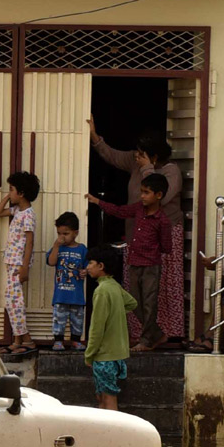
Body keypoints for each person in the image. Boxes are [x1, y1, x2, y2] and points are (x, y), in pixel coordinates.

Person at [89, 118, 185, 344]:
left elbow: (160, 196)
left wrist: (147, 168)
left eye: (142, 153)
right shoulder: (135, 163)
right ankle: (145, 334)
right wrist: (94, 136)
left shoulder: (171, 172)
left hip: (161, 241)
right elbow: (112, 155)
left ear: (154, 155)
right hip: (137, 238)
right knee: (136, 293)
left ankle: (164, 334)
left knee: (157, 291)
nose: (136, 156)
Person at [86, 173, 171, 352]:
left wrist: (151, 252)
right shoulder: (139, 209)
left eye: (146, 192)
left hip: (151, 266)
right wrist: (98, 202)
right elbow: (120, 211)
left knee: (149, 303)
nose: (142, 196)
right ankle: (156, 334)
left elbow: (166, 246)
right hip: (134, 263)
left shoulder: (162, 220)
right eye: (142, 192)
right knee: (134, 302)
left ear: (159, 195)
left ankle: (147, 340)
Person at [83, 245, 137, 411]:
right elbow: (132, 303)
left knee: (108, 399)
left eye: (91, 263)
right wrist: (116, 312)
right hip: (117, 355)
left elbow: (96, 328)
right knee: (102, 397)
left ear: (101, 266)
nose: (87, 267)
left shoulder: (101, 291)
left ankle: (113, 433)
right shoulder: (114, 286)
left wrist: (89, 354)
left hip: (104, 355)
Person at [0, 171, 40, 355]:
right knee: (12, 301)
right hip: (11, 262)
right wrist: (7, 197)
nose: (9, 193)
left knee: (15, 302)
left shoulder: (28, 215)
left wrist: (24, 267)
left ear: (21, 193)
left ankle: (26, 339)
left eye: (11, 190)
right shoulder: (17, 211)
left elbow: (30, 242)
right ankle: (18, 340)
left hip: (18, 264)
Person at [46, 211, 87, 351]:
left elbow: (87, 266)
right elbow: (51, 262)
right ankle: (58, 340)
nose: (62, 237)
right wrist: (56, 246)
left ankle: (75, 340)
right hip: (61, 294)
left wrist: (84, 271)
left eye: (66, 233)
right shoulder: (58, 248)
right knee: (59, 318)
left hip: (76, 294)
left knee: (77, 318)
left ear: (75, 233)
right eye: (59, 233)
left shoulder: (82, 249)